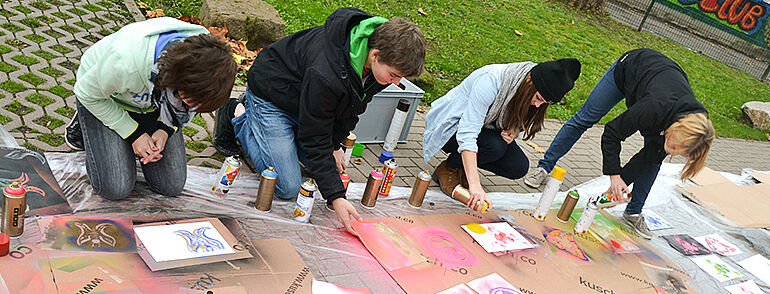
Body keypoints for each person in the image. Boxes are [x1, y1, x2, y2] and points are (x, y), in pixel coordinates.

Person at [212, 7, 426, 235]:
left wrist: (334, 145)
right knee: (287, 186)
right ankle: (239, 114)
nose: (396, 83)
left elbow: (352, 107)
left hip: (304, 101)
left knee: (323, 166)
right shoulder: (327, 71)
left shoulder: (376, 61)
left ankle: (278, 133)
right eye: (394, 75)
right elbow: (314, 138)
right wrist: (336, 197)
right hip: (271, 96)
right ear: (374, 55)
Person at [522, 48, 714, 239]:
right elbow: (613, 133)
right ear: (676, 128)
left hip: (658, 86)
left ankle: (633, 212)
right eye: (673, 147)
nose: (672, 151)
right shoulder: (654, 108)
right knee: (585, 118)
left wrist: (619, 187)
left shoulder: (694, 129)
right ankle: (545, 167)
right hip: (630, 68)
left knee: (654, 158)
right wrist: (614, 175)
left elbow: (648, 157)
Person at [64, 17, 238, 200]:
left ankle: (120, 136)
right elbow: (86, 93)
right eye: (188, 103)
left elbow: (192, 105)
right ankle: (85, 125)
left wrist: (166, 129)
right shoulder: (126, 62)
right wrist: (133, 134)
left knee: (171, 186)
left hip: (150, 106)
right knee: (116, 188)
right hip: (106, 98)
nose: (191, 109)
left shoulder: (210, 65)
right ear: (178, 80)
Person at [423, 59, 582, 212]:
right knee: (495, 147)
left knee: (518, 166)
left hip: (485, 129)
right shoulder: (490, 81)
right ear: (529, 81)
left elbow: (515, 121)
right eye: (538, 98)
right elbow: (468, 133)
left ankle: (463, 167)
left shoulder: (527, 88)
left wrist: (514, 132)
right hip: (450, 127)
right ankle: (449, 168)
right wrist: (475, 185)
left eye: (544, 103)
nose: (538, 105)